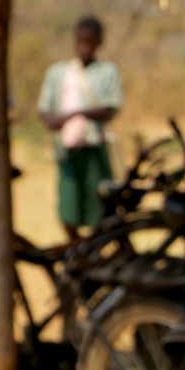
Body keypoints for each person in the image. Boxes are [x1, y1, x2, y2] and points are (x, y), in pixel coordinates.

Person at [37, 15, 123, 241]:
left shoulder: (107, 71)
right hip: (66, 150)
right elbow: (44, 108)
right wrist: (53, 121)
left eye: (89, 42)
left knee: (102, 205)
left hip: (94, 146)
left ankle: (100, 250)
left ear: (98, 42)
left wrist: (77, 114)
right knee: (68, 207)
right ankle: (77, 250)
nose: (84, 47)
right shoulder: (58, 72)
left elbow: (110, 107)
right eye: (80, 41)